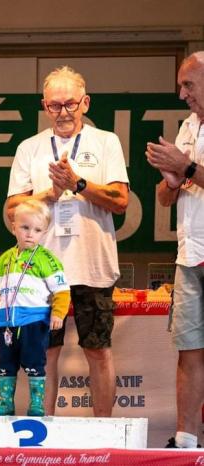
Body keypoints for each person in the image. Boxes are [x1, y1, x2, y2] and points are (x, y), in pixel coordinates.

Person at [6, 66, 129, 417]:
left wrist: (78, 184)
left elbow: (120, 201)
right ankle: (43, 431)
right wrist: (50, 193)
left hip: (93, 265)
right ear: (44, 106)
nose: (63, 113)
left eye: (70, 104)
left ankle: (104, 433)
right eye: (55, 106)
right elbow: (11, 209)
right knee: (43, 352)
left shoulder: (106, 142)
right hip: (41, 268)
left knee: (98, 350)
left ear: (85, 103)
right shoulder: (29, 148)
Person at [145, 51, 204, 449]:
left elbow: (190, 173)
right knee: (189, 348)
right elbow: (164, 199)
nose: (182, 93)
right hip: (190, 254)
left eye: (189, 85)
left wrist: (186, 170)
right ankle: (186, 439)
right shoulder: (187, 126)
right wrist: (171, 179)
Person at [0, 200, 70, 416]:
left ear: (44, 233)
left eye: (37, 230)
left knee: (34, 362)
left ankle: (37, 404)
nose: (30, 234)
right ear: (13, 227)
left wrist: (58, 314)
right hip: (7, 322)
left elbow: (62, 291)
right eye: (25, 227)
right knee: (6, 363)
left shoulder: (47, 260)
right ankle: (5, 403)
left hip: (34, 321)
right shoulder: (5, 258)